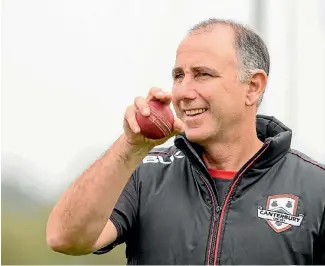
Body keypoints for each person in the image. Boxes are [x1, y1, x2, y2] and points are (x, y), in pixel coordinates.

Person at [46, 18, 325, 265]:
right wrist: (131, 147)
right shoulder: (145, 173)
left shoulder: (316, 188)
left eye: (202, 74)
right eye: (179, 76)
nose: (182, 92)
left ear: (252, 87)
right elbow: (65, 238)